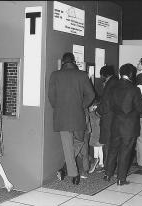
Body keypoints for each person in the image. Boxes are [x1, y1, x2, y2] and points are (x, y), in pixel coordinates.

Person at [104, 63, 142, 185]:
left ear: (121, 73)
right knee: (125, 152)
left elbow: (107, 105)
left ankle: (107, 174)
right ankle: (121, 179)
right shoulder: (134, 89)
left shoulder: (112, 87)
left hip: (115, 124)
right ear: (132, 74)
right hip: (129, 127)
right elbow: (141, 108)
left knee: (112, 150)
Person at [48, 52, 95, 185]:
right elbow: (91, 95)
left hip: (61, 115)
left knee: (67, 145)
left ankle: (71, 173)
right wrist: (81, 106)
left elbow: (51, 96)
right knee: (80, 141)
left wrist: (58, 107)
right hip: (78, 115)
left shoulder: (55, 75)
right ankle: (72, 173)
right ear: (74, 62)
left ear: (63, 62)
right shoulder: (82, 74)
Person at [90, 65, 118, 173]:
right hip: (116, 116)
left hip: (108, 116)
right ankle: (107, 165)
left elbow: (106, 101)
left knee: (106, 143)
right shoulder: (117, 81)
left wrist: (98, 111)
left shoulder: (110, 84)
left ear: (104, 75)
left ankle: (107, 167)